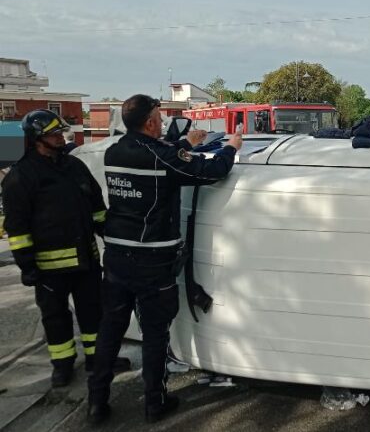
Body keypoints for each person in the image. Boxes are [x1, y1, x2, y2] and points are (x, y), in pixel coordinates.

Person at [87, 95, 242, 425]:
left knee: (110, 331)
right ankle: (154, 403)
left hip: (116, 256)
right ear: (149, 123)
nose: (161, 120)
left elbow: (159, 158)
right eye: (158, 116)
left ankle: (96, 402)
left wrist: (184, 142)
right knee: (156, 334)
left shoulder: (114, 151)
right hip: (152, 260)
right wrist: (232, 146)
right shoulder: (163, 157)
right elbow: (209, 171)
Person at [1, 110, 113, 387]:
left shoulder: (74, 167)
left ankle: (96, 360)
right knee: (56, 318)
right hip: (48, 269)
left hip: (85, 260)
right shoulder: (21, 176)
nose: (60, 138)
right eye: (53, 134)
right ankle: (62, 365)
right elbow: (16, 228)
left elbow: (96, 205)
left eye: (60, 132)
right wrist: (27, 266)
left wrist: (110, 231)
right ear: (37, 138)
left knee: (92, 312)